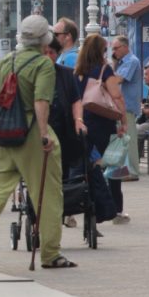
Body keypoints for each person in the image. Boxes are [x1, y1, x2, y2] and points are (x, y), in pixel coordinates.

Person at [0, 15, 75, 271]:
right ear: (45, 40)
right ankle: (50, 254)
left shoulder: (6, 61)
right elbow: (41, 102)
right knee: (47, 195)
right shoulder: (43, 65)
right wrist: (45, 134)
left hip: (1, 136)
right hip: (32, 135)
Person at [75, 33, 129, 225]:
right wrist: (123, 120)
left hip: (81, 121)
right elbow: (117, 96)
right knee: (112, 163)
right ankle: (112, 207)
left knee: (87, 163)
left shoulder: (77, 72)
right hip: (102, 122)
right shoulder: (104, 70)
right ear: (101, 50)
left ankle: (79, 205)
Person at [44, 36, 86, 228]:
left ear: (57, 54)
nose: (48, 56)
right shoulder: (31, 74)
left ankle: (66, 207)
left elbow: (76, 100)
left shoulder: (66, 74)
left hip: (64, 128)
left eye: (51, 53)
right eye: (44, 52)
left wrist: (79, 120)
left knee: (66, 169)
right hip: (40, 132)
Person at [111, 35, 142, 180]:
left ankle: (133, 171)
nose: (114, 52)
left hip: (127, 106)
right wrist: (114, 63)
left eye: (116, 48)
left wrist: (104, 78)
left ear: (125, 47)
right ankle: (125, 170)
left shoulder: (131, 61)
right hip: (120, 106)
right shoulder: (121, 62)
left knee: (129, 138)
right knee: (123, 138)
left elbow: (118, 79)